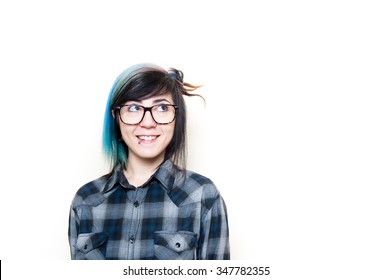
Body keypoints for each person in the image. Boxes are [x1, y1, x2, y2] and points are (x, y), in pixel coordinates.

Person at [68, 63, 230, 260]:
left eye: (161, 107)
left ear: (176, 117)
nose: (147, 122)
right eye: (134, 108)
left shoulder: (202, 195)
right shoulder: (85, 201)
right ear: (116, 117)